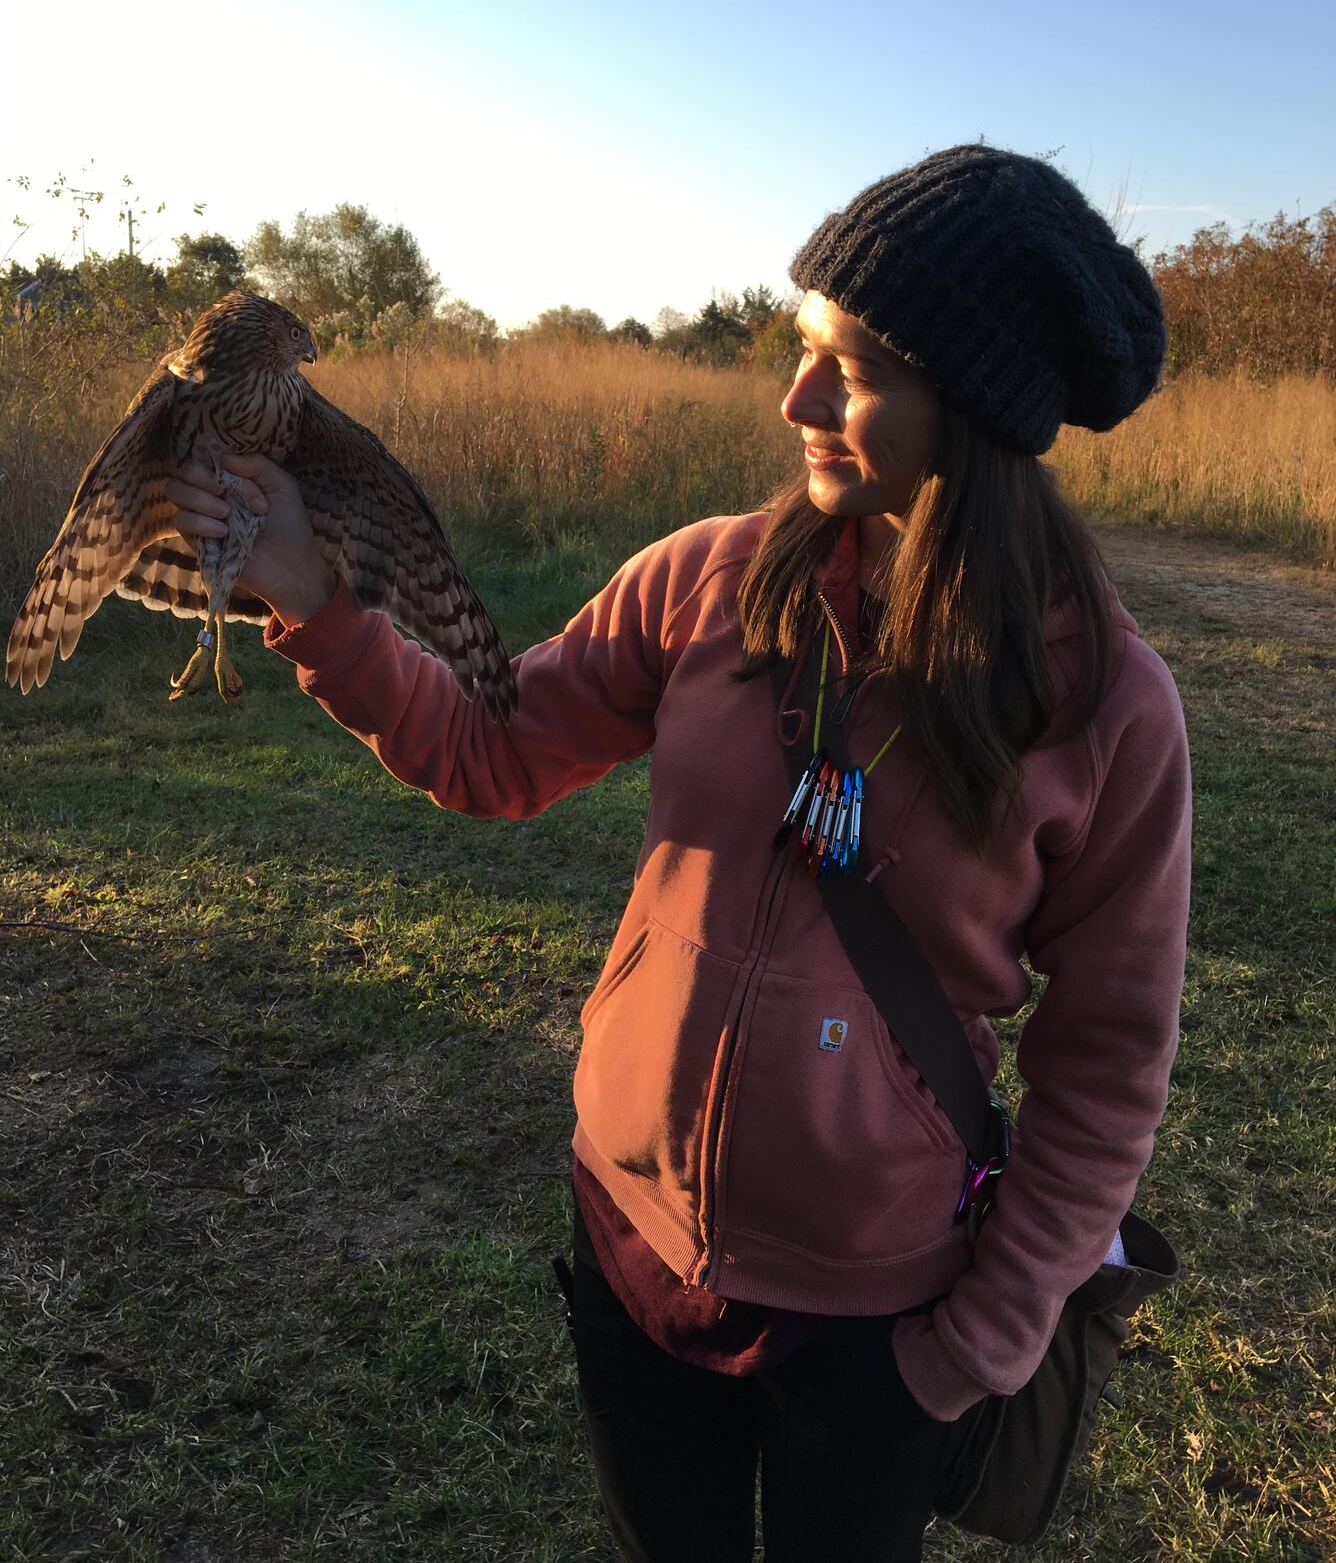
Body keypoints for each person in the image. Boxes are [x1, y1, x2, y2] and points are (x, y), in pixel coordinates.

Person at [167, 143, 1192, 1561]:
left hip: (882, 1326)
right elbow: (492, 749)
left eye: (853, 367)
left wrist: (962, 1357)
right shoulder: (707, 577)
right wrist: (312, 600)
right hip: (630, 1254)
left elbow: (1108, 1073)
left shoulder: (1109, 709)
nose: (795, 398)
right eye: (800, 346)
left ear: (981, 410)